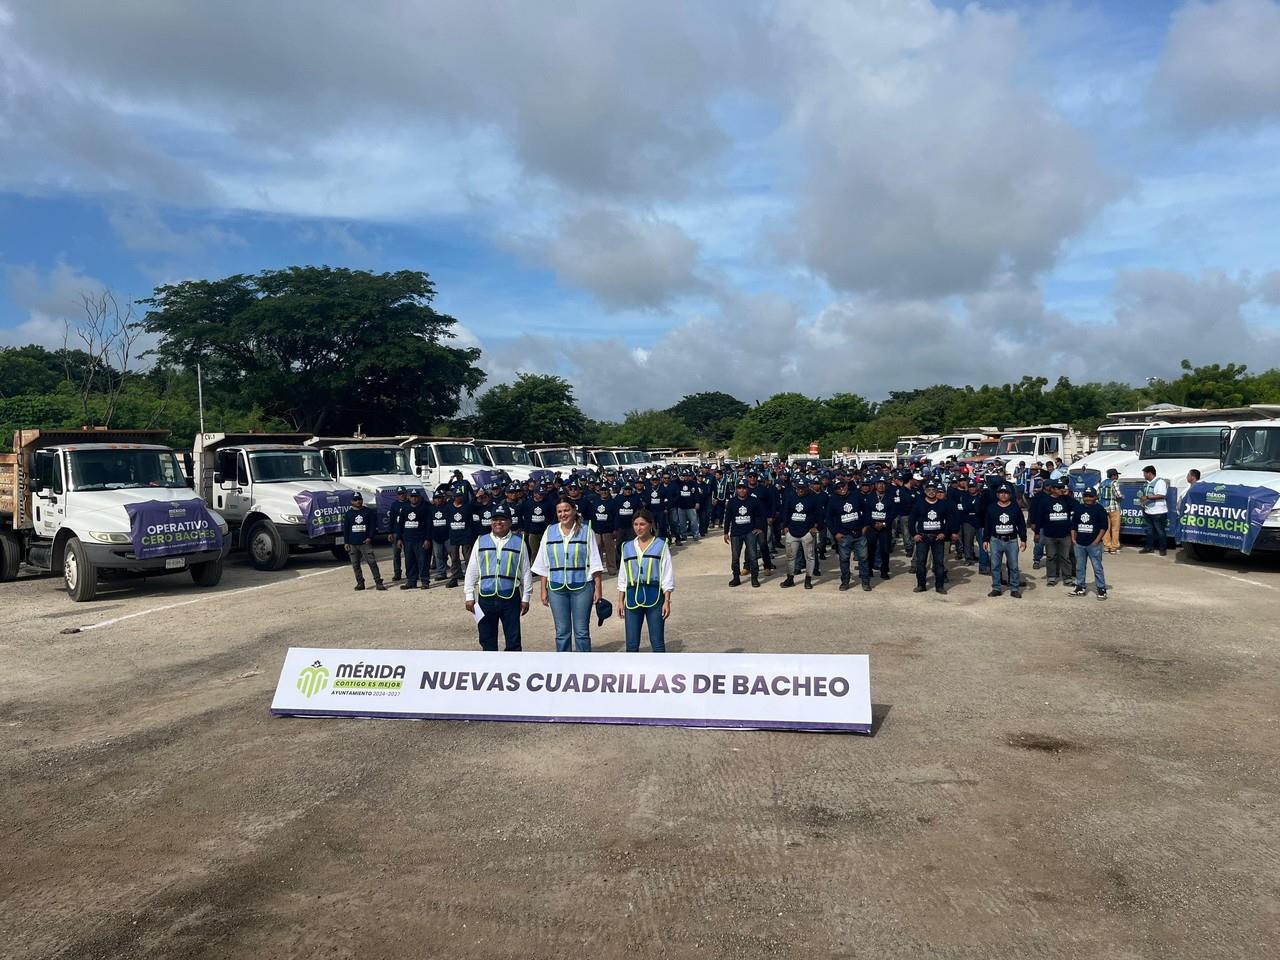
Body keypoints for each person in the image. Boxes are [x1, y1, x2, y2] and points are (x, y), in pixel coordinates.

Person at [532, 497, 605, 652]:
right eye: (559, 511)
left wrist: (598, 588)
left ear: (574, 510)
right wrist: (543, 589)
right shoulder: (549, 531)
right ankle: (564, 665)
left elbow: (595, 562)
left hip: (582, 586)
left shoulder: (586, 531)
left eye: (566, 510)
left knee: (581, 632)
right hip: (557, 588)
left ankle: (583, 666)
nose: (563, 514)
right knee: (562, 632)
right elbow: (545, 562)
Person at [464, 504, 532, 651]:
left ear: (510, 522)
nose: (498, 523)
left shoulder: (519, 542)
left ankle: (512, 670)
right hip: (485, 597)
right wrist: (469, 595)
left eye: (502, 519)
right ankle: (490, 668)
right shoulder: (480, 541)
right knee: (486, 638)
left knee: (513, 639)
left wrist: (526, 597)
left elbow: (526, 571)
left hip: (510, 598)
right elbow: (472, 569)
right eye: (495, 519)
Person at [616, 510, 675, 652]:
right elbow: (623, 575)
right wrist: (620, 601)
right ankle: (632, 673)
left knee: (657, 642)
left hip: (654, 596)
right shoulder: (627, 546)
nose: (638, 528)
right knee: (631, 643)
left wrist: (667, 601)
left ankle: (660, 672)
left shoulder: (661, 545)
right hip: (632, 598)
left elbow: (667, 574)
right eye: (635, 524)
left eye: (642, 524)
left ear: (650, 525)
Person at [827, 476, 871, 592]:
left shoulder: (856, 496)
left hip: (859, 533)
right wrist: (835, 533)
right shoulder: (832, 500)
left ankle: (865, 582)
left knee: (863, 558)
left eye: (843, 486)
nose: (842, 489)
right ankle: (845, 582)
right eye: (838, 487)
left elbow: (867, 510)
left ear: (846, 486)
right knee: (844, 559)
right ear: (835, 489)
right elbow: (829, 519)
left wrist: (866, 525)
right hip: (843, 535)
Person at [909, 481, 955, 594]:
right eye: (928, 490)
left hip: (938, 538)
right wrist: (914, 534)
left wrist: (944, 533)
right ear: (925, 491)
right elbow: (911, 521)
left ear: (937, 491)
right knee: (921, 562)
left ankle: (939, 586)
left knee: (939, 563)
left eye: (933, 490)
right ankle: (921, 585)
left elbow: (949, 520)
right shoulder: (919, 504)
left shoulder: (942, 504)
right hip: (923, 538)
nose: (931, 492)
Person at [983, 484, 1027, 598]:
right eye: (1001, 492)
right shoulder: (991, 508)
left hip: (1011, 541)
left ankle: (1014, 588)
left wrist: (1023, 539)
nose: (1003, 495)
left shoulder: (1014, 508)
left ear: (1010, 495)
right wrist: (985, 540)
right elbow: (987, 525)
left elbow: (1021, 524)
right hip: (995, 540)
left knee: (1013, 566)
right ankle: (996, 588)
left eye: (1006, 493)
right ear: (997, 494)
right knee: (995, 565)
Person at [723, 478, 766, 587]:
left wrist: (760, 528)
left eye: (744, 488)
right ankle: (736, 578)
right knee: (735, 557)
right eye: (739, 488)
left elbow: (760, 515)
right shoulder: (732, 502)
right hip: (736, 533)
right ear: (737, 490)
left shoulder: (753, 500)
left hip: (750, 532)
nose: (742, 490)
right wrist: (725, 532)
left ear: (747, 489)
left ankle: (754, 578)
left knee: (752, 556)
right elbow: (727, 517)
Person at [780, 476, 820, 589]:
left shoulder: (813, 498)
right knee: (790, 557)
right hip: (792, 531)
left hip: (807, 532)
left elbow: (820, 515)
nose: (800, 490)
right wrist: (785, 526)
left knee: (810, 557)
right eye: (798, 488)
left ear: (807, 487)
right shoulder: (791, 497)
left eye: (802, 488)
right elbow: (786, 512)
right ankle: (790, 578)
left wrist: (816, 527)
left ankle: (808, 579)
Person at [1036, 479, 1077, 587]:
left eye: (1062, 487)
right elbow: (1039, 517)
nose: (1061, 490)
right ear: (1052, 489)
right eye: (1058, 488)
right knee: (1051, 556)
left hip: (1065, 534)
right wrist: (1037, 533)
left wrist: (1067, 496)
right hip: (1050, 534)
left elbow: (1077, 507)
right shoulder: (1045, 501)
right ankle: (1051, 577)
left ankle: (1067, 578)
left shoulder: (1066, 499)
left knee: (1065, 557)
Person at [342, 492, 386, 591]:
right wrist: (346, 542)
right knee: (355, 565)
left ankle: (378, 582)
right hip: (353, 543)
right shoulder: (349, 513)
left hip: (365, 543)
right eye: (355, 500)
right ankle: (360, 583)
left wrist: (370, 537)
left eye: (359, 499)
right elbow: (346, 529)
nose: (358, 501)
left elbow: (372, 526)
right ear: (351, 501)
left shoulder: (368, 512)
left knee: (372, 562)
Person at [1070, 487, 1108, 600]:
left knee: (1097, 567)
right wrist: (1073, 539)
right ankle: (1080, 587)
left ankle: (1101, 589)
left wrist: (1096, 541)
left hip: (1094, 544)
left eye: (1090, 496)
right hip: (1080, 543)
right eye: (1086, 496)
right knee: (1080, 567)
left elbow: (1104, 527)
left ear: (1095, 497)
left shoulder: (1100, 509)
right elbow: (1073, 525)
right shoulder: (1079, 508)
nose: (1088, 498)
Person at [395, 489, 431, 590]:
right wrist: (399, 538)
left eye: (416, 496)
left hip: (420, 540)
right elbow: (400, 525)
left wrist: (427, 539)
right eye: (412, 496)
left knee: (423, 562)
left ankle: (425, 581)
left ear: (419, 497)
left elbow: (429, 525)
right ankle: (411, 581)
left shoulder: (424, 509)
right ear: (409, 497)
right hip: (407, 540)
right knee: (409, 562)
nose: (414, 498)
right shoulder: (405, 509)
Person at [445, 488, 476, 588]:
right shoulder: (449, 507)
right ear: (454, 497)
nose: (459, 498)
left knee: (468, 557)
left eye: (461, 496)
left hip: (465, 535)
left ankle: (471, 576)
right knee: (454, 557)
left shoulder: (467, 506)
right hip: (453, 535)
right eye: (457, 496)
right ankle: (456, 576)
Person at [866, 477, 893, 580]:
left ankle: (884, 570)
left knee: (885, 550)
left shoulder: (890, 497)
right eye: (879, 484)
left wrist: (884, 523)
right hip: (872, 527)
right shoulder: (870, 497)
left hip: (885, 527)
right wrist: (873, 523)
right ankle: (869, 570)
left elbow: (892, 513)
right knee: (870, 549)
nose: (881, 486)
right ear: (875, 485)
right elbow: (867, 512)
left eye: (883, 484)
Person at [1138, 464, 1169, 556]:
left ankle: (1162, 549)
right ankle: (1149, 547)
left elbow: (1162, 495)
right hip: (1148, 510)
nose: (1143, 476)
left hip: (1158, 511)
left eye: (1145, 474)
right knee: (1150, 530)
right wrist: (1143, 503)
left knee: (1160, 531)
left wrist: (1147, 497)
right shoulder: (1147, 483)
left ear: (1150, 473)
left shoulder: (1160, 482)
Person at [386, 486, 410, 582]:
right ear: (397, 495)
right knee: (396, 554)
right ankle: (397, 573)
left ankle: (410, 572)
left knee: (409, 554)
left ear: (406, 493)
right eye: (400, 494)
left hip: (407, 532)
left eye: (403, 493)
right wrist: (390, 532)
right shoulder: (394, 505)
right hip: (396, 532)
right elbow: (391, 520)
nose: (402, 495)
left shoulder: (410, 504)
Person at [1099, 468, 1123, 554]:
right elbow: (1118, 495)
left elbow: (1099, 495)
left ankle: (1106, 546)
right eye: (1116, 475)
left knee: (1105, 528)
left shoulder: (1102, 483)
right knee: (1115, 528)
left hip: (1103, 507)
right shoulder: (1114, 483)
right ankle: (1114, 547)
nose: (1118, 476)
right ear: (1113, 476)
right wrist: (1122, 497)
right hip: (1113, 507)